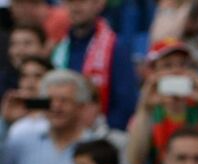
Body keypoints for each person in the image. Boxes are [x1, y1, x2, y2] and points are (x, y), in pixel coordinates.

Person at [50, 0, 137, 131]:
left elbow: (126, 104)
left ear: (99, 4)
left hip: (102, 134)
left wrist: (98, 131)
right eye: (70, 1)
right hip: (62, 131)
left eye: (83, 1)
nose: (75, 6)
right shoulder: (59, 47)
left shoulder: (115, 47)